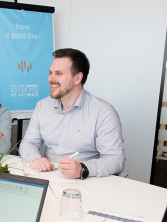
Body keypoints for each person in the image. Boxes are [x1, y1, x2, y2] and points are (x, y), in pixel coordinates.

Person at [19, 48, 125, 179]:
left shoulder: (103, 112)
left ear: (77, 78)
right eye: (50, 73)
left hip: (86, 182)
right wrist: (36, 160)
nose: (51, 79)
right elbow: (28, 143)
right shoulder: (42, 106)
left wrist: (83, 168)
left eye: (58, 73)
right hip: (48, 179)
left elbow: (116, 159)